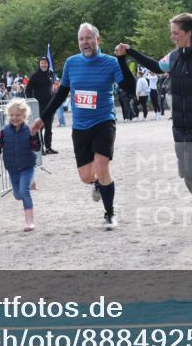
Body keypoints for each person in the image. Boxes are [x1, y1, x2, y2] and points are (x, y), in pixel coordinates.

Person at [116, 13, 192, 231]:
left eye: (175, 33)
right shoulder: (173, 57)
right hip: (183, 127)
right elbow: (155, 66)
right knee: (188, 174)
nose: (172, 37)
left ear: (188, 33)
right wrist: (130, 52)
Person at [33, 23, 135, 229]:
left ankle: (110, 214)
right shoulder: (71, 63)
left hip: (103, 121)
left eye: (89, 38)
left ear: (98, 40)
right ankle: (97, 183)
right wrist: (43, 118)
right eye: (81, 39)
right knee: (86, 176)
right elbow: (61, 93)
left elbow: (130, 88)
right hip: (80, 126)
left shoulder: (111, 62)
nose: (85, 42)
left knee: (102, 164)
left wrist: (123, 60)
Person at [0, 98, 43, 231]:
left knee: (24, 192)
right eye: (12, 115)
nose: (14, 118)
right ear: (8, 115)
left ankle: (29, 222)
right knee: (18, 194)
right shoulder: (4, 131)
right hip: (12, 167)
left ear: (24, 116)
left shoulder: (29, 130)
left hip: (27, 165)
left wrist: (34, 135)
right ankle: (29, 182)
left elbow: (36, 148)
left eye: (18, 115)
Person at [26, 57, 58, 154]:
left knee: (49, 128)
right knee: (40, 127)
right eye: (42, 63)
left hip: (50, 105)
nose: (44, 65)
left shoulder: (50, 74)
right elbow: (28, 90)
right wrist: (32, 101)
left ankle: (48, 147)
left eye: (45, 63)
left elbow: (52, 87)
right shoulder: (35, 76)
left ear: (48, 64)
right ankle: (40, 148)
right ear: (39, 64)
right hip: (39, 105)